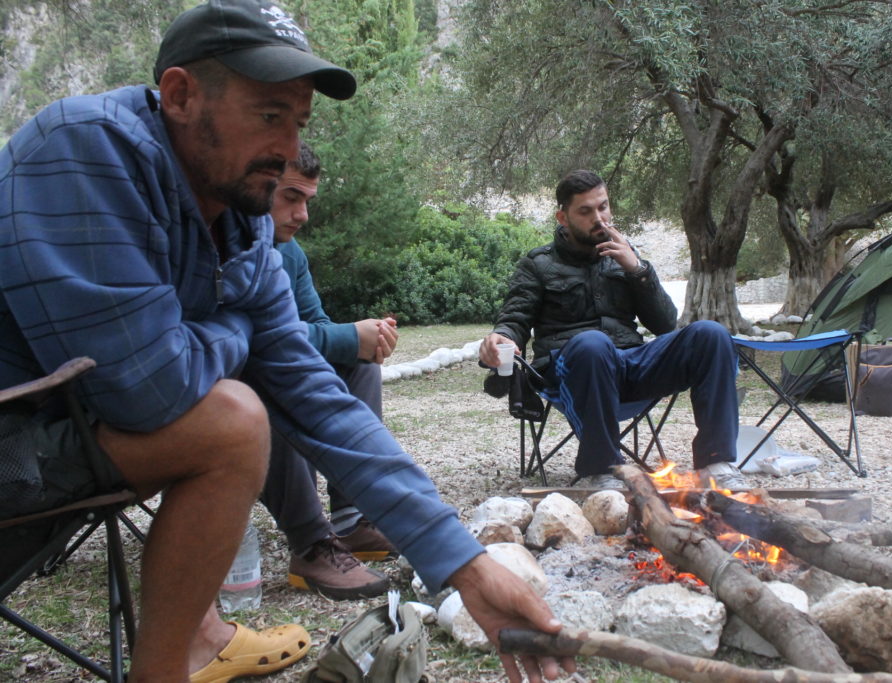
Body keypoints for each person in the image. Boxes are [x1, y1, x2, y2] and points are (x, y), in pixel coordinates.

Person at [0, 2, 574, 682]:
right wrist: (243, 328)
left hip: (58, 440)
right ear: (181, 96)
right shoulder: (83, 151)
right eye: (270, 114)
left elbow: (323, 404)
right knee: (234, 422)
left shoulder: (242, 230)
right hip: (17, 439)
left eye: (299, 120)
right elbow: (147, 393)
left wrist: (466, 566)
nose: (288, 147)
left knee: (246, 411)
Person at [480, 170, 744, 491]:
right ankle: (604, 470)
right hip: (574, 371)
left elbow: (664, 324)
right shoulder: (538, 264)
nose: (599, 217)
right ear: (563, 217)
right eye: (585, 211)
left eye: (603, 207)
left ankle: (716, 462)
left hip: (630, 365)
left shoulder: (627, 257)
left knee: (711, 335)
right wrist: (501, 338)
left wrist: (637, 270)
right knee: (593, 344)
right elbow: (515, 318)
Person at [261, 140, 399, 600]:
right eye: (291, 197)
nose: (301, 215)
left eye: (307, 201)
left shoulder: (291, 252)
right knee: (270, 381)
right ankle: (310, 542)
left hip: (268, 364)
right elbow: (261, 342)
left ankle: (352, 519)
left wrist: (365, 338)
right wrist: (346, 337)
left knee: (361, 367)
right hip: (225, 388)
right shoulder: (235, 243)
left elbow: (313, 324)